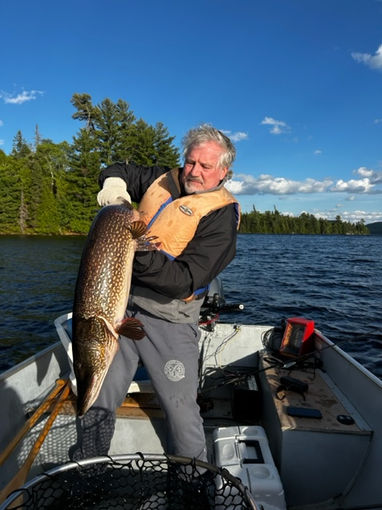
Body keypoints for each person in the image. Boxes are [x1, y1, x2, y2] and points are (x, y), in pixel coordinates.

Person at [70, 124, 240, 463]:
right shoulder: (163, 178)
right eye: (190, 162)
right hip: (118, 310)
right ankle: (86, 465)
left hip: (169, 319)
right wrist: (115, 185)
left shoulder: (221, 217)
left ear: (224, 171)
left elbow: (184, 280)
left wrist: (134, 249)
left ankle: (192, 476)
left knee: (180, 409)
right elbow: (118, 170)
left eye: (206, 167)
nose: (194, 172)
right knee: (97, 394)